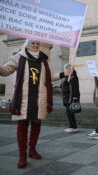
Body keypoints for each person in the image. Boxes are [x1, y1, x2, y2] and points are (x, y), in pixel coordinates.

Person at [0, 39, 73, 168]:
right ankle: (22, 156)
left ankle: (32, 150)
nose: (35, 45)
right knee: (22, 125)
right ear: (27, 44)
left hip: (39, 97)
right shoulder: (19, 56)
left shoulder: (44, 59)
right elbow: (6, 71)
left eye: (37, 43)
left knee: (36, 124)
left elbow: (49, 77)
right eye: (32, 43)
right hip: (23, 97)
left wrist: (64, 73)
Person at [61, 63, 80, 133]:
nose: (67, 70)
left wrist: (75, 96)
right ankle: (72, 126)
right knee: (69, 112)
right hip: (67, 97)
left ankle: (73, 127)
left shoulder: (73, 76)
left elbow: (75, 87)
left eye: (68, 68)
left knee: (70, 112)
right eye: (66, 69)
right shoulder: (68, 76)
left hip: (70, 97)